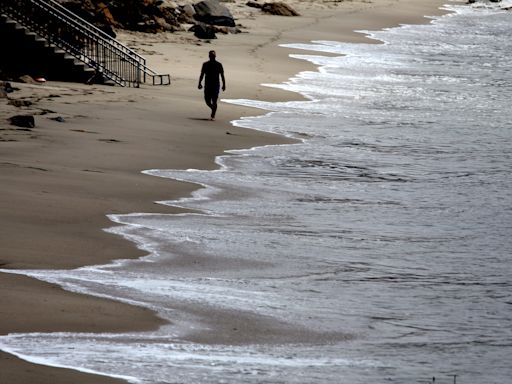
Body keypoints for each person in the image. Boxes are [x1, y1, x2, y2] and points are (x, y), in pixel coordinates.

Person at [198, 50, 226, 121]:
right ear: (209, 56)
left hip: (216, 85)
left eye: (213, 56)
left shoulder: (219, 64)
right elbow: (202, 74)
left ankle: (213, 115)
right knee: (207, 100)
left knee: (214, 100)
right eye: (211, 56)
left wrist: (224, 85)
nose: (212, 57)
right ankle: (213, 108)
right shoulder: (205, 64)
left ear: (215, 56)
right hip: (207, 85)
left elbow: (222, 75)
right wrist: (199, 83)